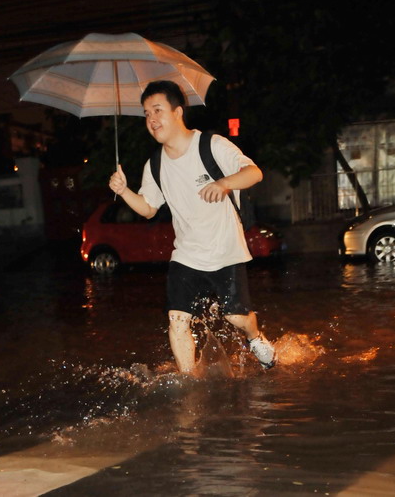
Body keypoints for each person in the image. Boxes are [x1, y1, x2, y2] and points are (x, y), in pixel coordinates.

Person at [108, 80, 276, 375]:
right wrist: (124, 192)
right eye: (146, 114)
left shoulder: (211, 145)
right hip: (186, 255)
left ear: (177, 112)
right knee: (177, 319)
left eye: (157, 110)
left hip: (225, 250)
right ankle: (189, 382)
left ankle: (255, 337)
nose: (151, 119)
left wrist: (224, 183)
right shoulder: (155, 164)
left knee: (237, 318)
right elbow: (148, 209)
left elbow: (254, 172)